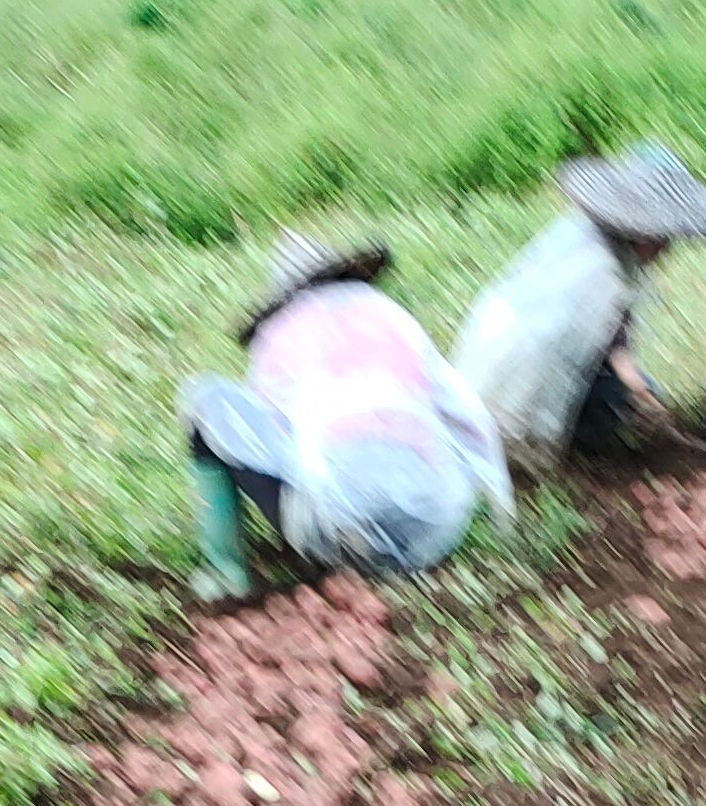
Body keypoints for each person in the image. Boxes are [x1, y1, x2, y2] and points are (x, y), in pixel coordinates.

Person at [183, 238, 511, 605]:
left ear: (285, 297)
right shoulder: (391, 317)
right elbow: (469, 414)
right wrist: (497, 505)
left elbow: (266, 442)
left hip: (339, 537)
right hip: (435, 533)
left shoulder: (281, 334)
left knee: (205, 399)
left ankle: (225, 571)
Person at [450, 143, 706, 466]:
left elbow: (614, 338)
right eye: (661, 238)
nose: (665, 249)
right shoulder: (599, 272)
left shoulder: (586, 236)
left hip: (495, 351)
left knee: (636, 390)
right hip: (520, 375)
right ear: (641, 230)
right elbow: (567, 354)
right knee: (610, 409)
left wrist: (638, 386)